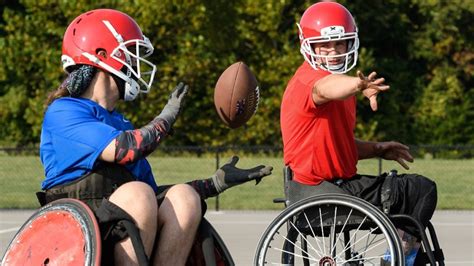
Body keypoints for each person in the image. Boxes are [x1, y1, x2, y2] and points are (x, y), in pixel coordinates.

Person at [38, 9, 272, 265]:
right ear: (102, 56)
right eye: (130, 54)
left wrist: (214, 183)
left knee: (184, 199)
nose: (137, 65)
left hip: (124, 209)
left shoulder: (120, 123)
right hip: (79, 221)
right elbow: (125, 149)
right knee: (138, 195)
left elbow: (156, 194)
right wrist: (167, 117)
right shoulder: (64, 111)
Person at [280, 2, 437, 265]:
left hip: (330, 187)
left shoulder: (343, 88)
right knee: (422, 189)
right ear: (309, 46)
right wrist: (358, 84)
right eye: (324, 45)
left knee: (410, 192)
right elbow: (323, 88)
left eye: (339, 44)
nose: (333, 51)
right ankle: (397, 259)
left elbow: (334, 144)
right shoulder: (312, 80)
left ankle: (400, 253)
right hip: (326, 192)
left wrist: (377, 149)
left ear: (350, 44)